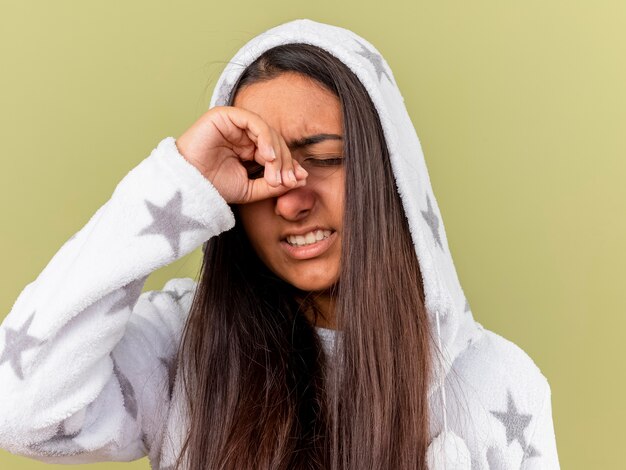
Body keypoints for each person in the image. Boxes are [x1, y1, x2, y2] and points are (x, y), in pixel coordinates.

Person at [0, 18, 559, 470]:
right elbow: (21, 409)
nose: (292, 200)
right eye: (257, 170)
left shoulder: (492, 380)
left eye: (323, 159)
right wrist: (177, 180)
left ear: (390, 174)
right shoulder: (181, 348)